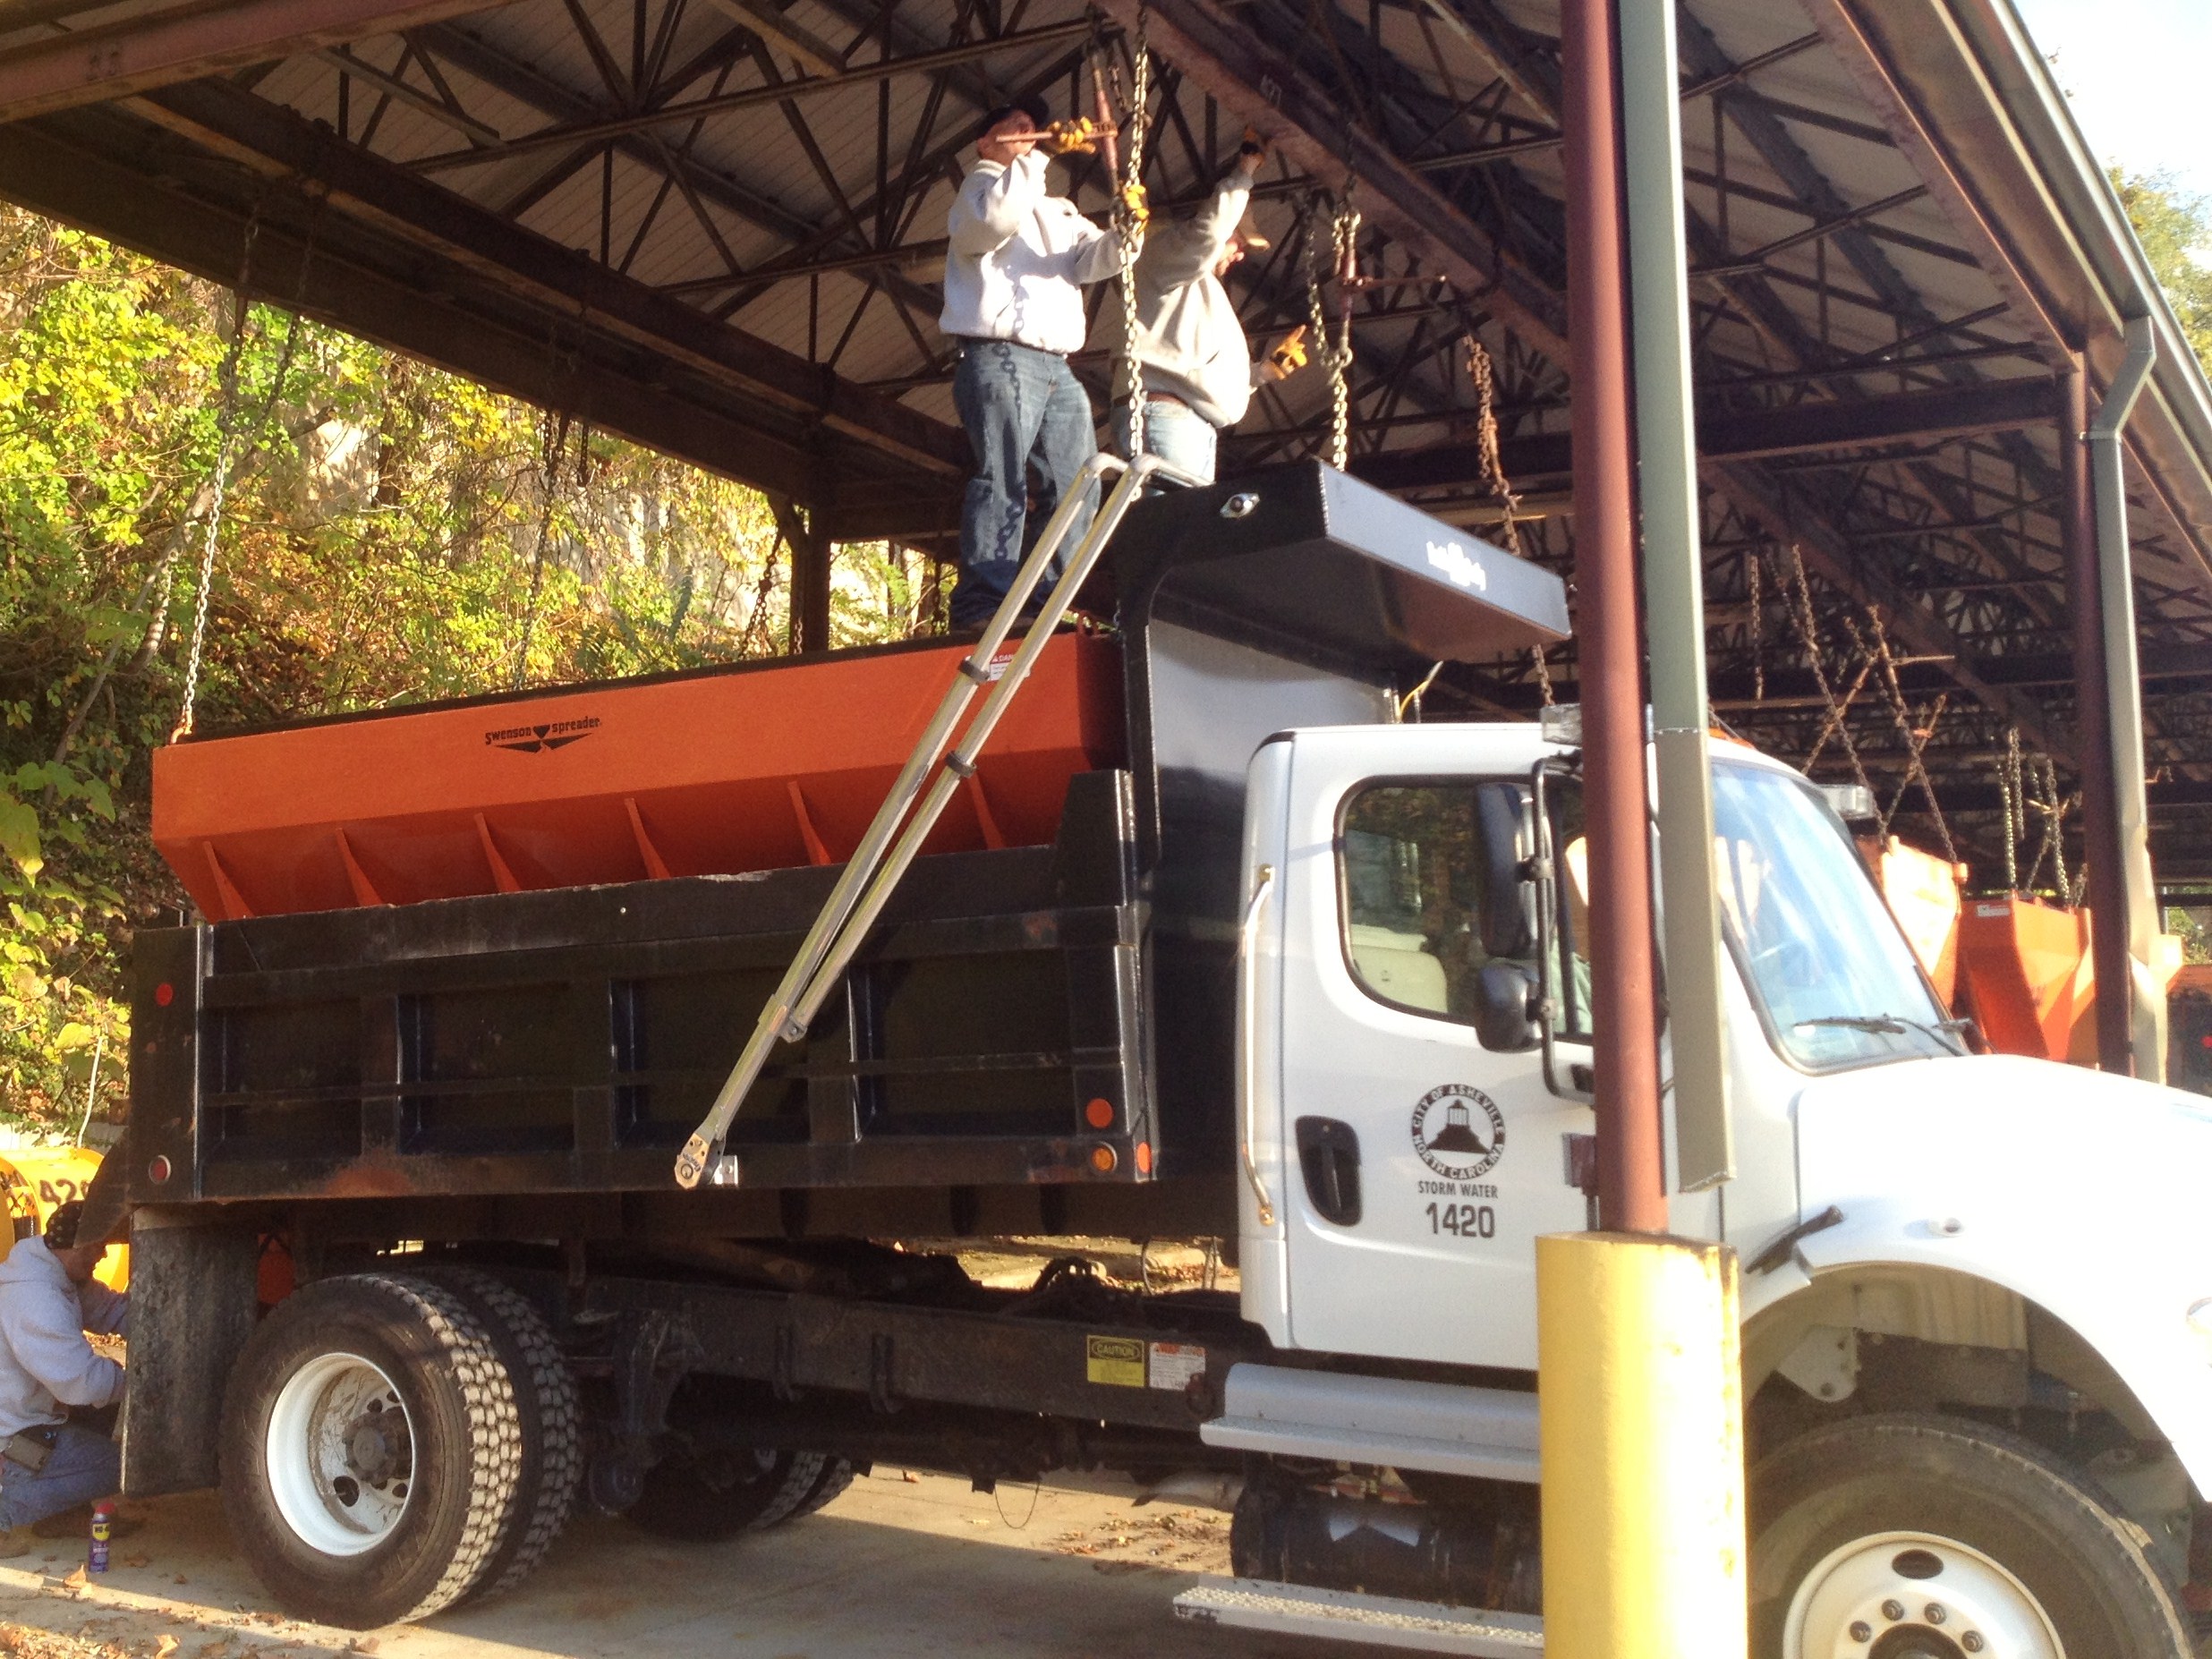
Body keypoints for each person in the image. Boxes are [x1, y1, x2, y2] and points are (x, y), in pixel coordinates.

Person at [940, 97, 1135, 628]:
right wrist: (1031, 158)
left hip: (1056, 365)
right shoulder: (978, 191)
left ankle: (1042, 600)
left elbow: (1095, 260)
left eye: (1034, 128)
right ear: (987, 142)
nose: (1031, 134)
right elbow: (994, 222)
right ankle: (982, 603)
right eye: (1016, 128)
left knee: (1080, 482)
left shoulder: (1059, 208)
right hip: (998, 351)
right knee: (1002, 476)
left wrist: (1129, 231)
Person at [1098, 134, 1307, 485]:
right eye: (1238, 242)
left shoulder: (1196, 290)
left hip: (1187, 422)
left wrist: (1262, 374)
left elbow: (1196, 367)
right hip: (1166, 414)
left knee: (1184, 530)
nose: (1240, 254)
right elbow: (1207, 234)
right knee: (1175, 527)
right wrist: (1245, 170)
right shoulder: (1162, 255)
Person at [0, 1201, 127, 1553]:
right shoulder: (33, 1297)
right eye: (97, 1244)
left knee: (104, 1406)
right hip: (10, 1439)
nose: (102, 1253)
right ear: (72, 1245)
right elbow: (80, 1380)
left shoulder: (60, 1276)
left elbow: (115, 1312)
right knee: (124, 1467)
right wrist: (140, 1385)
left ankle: (58, 1514)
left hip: (26, 1419)